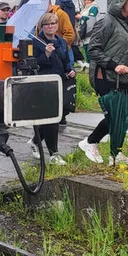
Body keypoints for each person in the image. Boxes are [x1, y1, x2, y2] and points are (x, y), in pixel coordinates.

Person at [77, 0, 128, 166]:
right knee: (115, 117)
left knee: (124, 118)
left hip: (127, 78)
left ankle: (117, 153)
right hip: (108, 76)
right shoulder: (107, 21)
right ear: (120, 1)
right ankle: (91, 142)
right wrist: (115, 65)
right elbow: (93, 50)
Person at [29, 12, 76, 165]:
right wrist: (46, 56)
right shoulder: (35, 42)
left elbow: (65, 59)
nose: (50, 27)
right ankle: (53, 152)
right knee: (50, 119)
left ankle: (35, 141)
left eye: (53, 24)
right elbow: (32, 64)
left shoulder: (61, 41)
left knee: (55, 116)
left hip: (59, 82)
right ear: (42, 26)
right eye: (47, 24)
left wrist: (70, 69)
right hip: (43, 84)